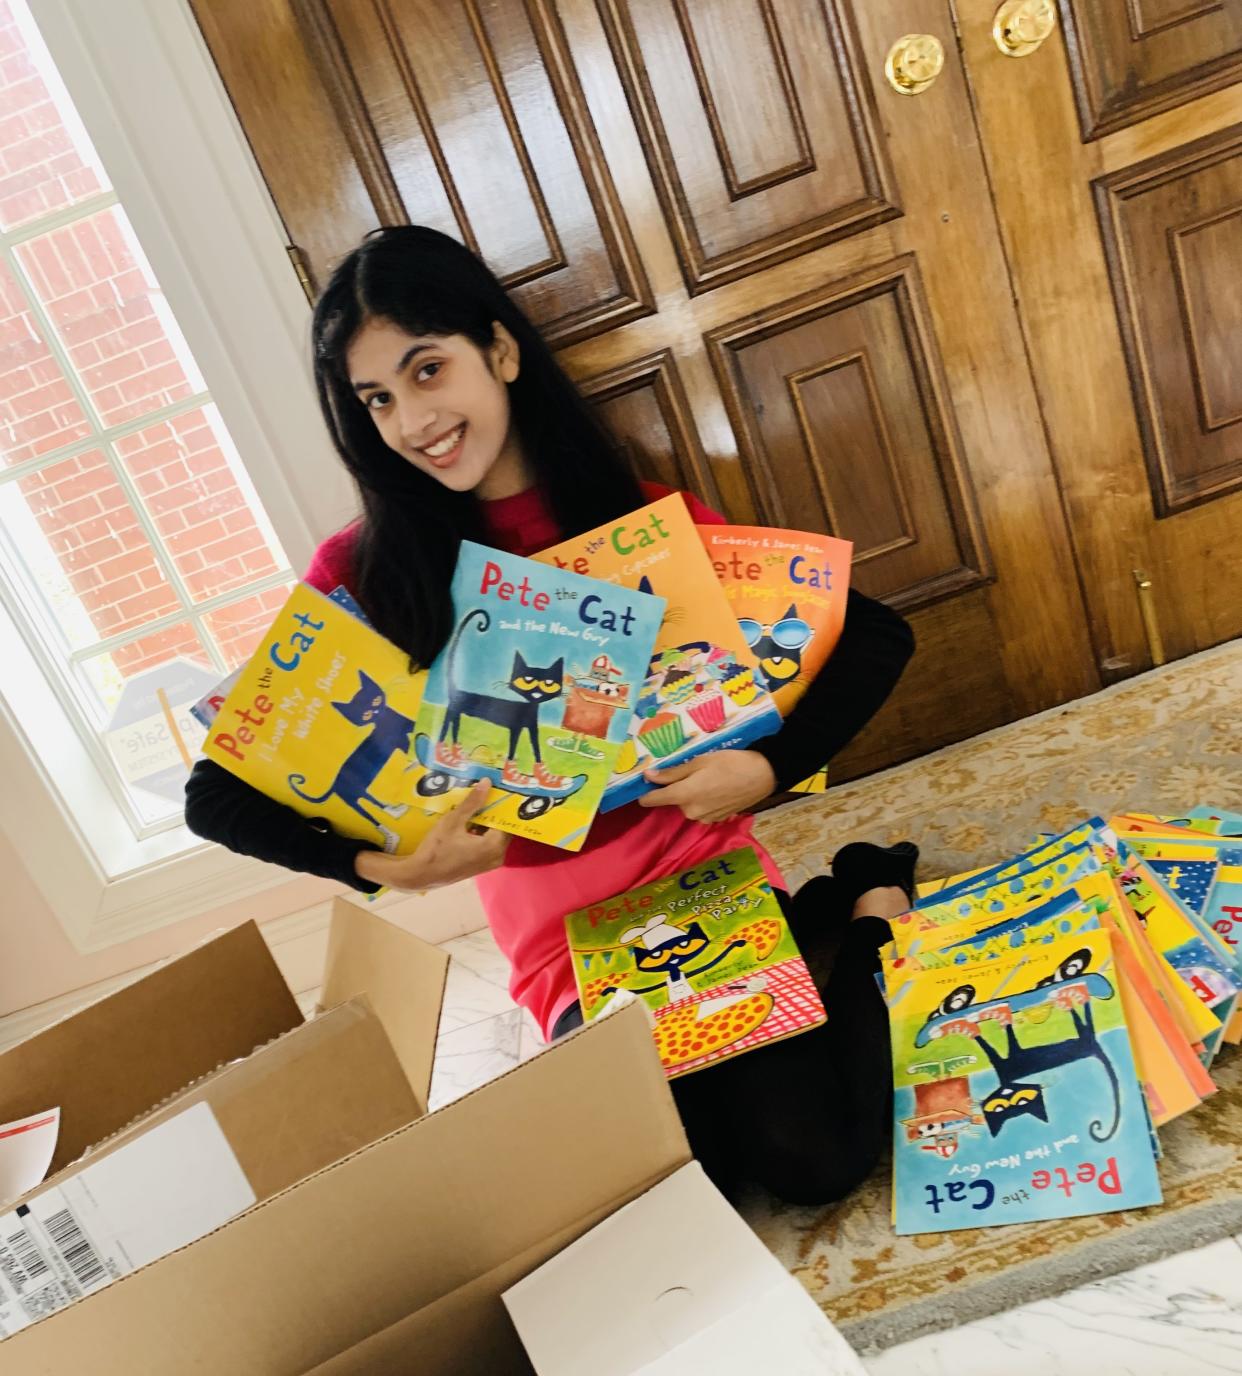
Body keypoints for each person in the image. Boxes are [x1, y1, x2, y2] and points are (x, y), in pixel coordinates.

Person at [185, 225, 916, 1205]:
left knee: (814, 1157)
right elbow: (214, 797)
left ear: (502, 349)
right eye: (379, 399)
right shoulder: (364, 573)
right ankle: (813, 925)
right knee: (674, 1178)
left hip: (697, 878)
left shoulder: (642, 519)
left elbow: (874, 636)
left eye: (428, 368)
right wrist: (382, 866)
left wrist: (767, 771)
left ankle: (868, 907)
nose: (412, 420)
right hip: (561, 943)